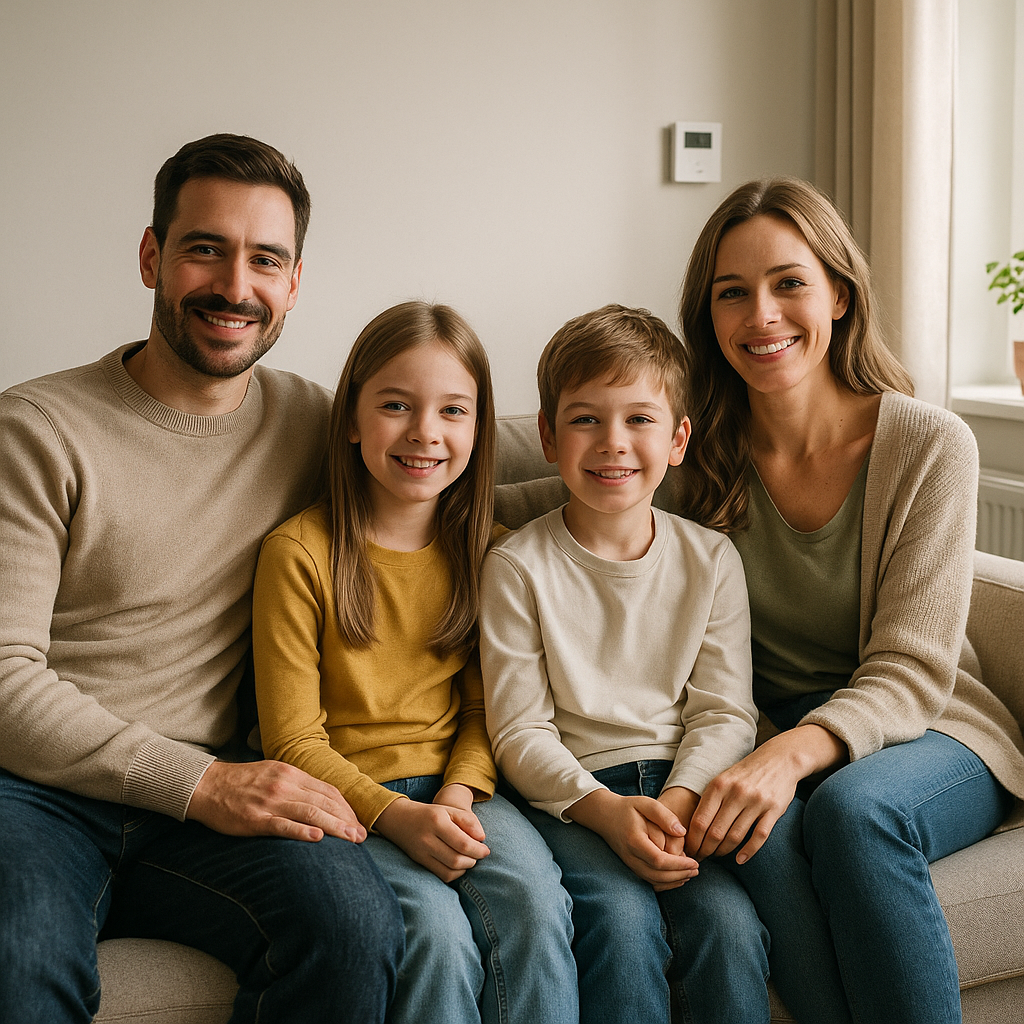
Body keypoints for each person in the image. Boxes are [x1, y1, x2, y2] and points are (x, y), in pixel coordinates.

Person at [0, 134, 404, 1023]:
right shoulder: (37, 429)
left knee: (352, 923)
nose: (235, 286)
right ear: (152, 256)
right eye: (205, 249)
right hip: (36, 794)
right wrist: (202, 784)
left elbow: (453, 476)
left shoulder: (313, 423)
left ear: (294, 284)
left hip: (212, 795)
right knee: (17, 959)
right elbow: (3, 680)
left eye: (265, 259)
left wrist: (667, 464)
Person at [671, 177, 1024, 1024]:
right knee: (763, 836)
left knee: (853, 812)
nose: (762, 315)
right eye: (732, 293)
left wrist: (788, 757)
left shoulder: (930, 443)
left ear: (838, 291)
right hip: (766, 728)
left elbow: (910, 669)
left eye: (789, 282)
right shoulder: (689, 452)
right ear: (708, 317)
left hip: (933, 726)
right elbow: (558, 499)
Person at [251, 300, 577, 1024]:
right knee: (434, 935)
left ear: (478, 428)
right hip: (353, 796)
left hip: (467, 786)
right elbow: (292, 741)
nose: (425, 432)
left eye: (452, 411)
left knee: (535, 901)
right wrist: (398, 816)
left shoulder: (492, 550)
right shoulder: (299, 553)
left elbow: (486, 708)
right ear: (352, 420)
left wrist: (458, 795)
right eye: (396, 405)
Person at [478, 304, 759, 1024]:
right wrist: (603, 812)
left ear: (678, 440)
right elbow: (518, 732)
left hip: (683, 793)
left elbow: (726, 710)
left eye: (639, 419)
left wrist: (681, 802)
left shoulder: (710, 558)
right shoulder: (516, 565)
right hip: (574, 800)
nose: (613, 443)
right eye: (585, 420)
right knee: (622, 926)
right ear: (546, 435)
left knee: (730, 930)